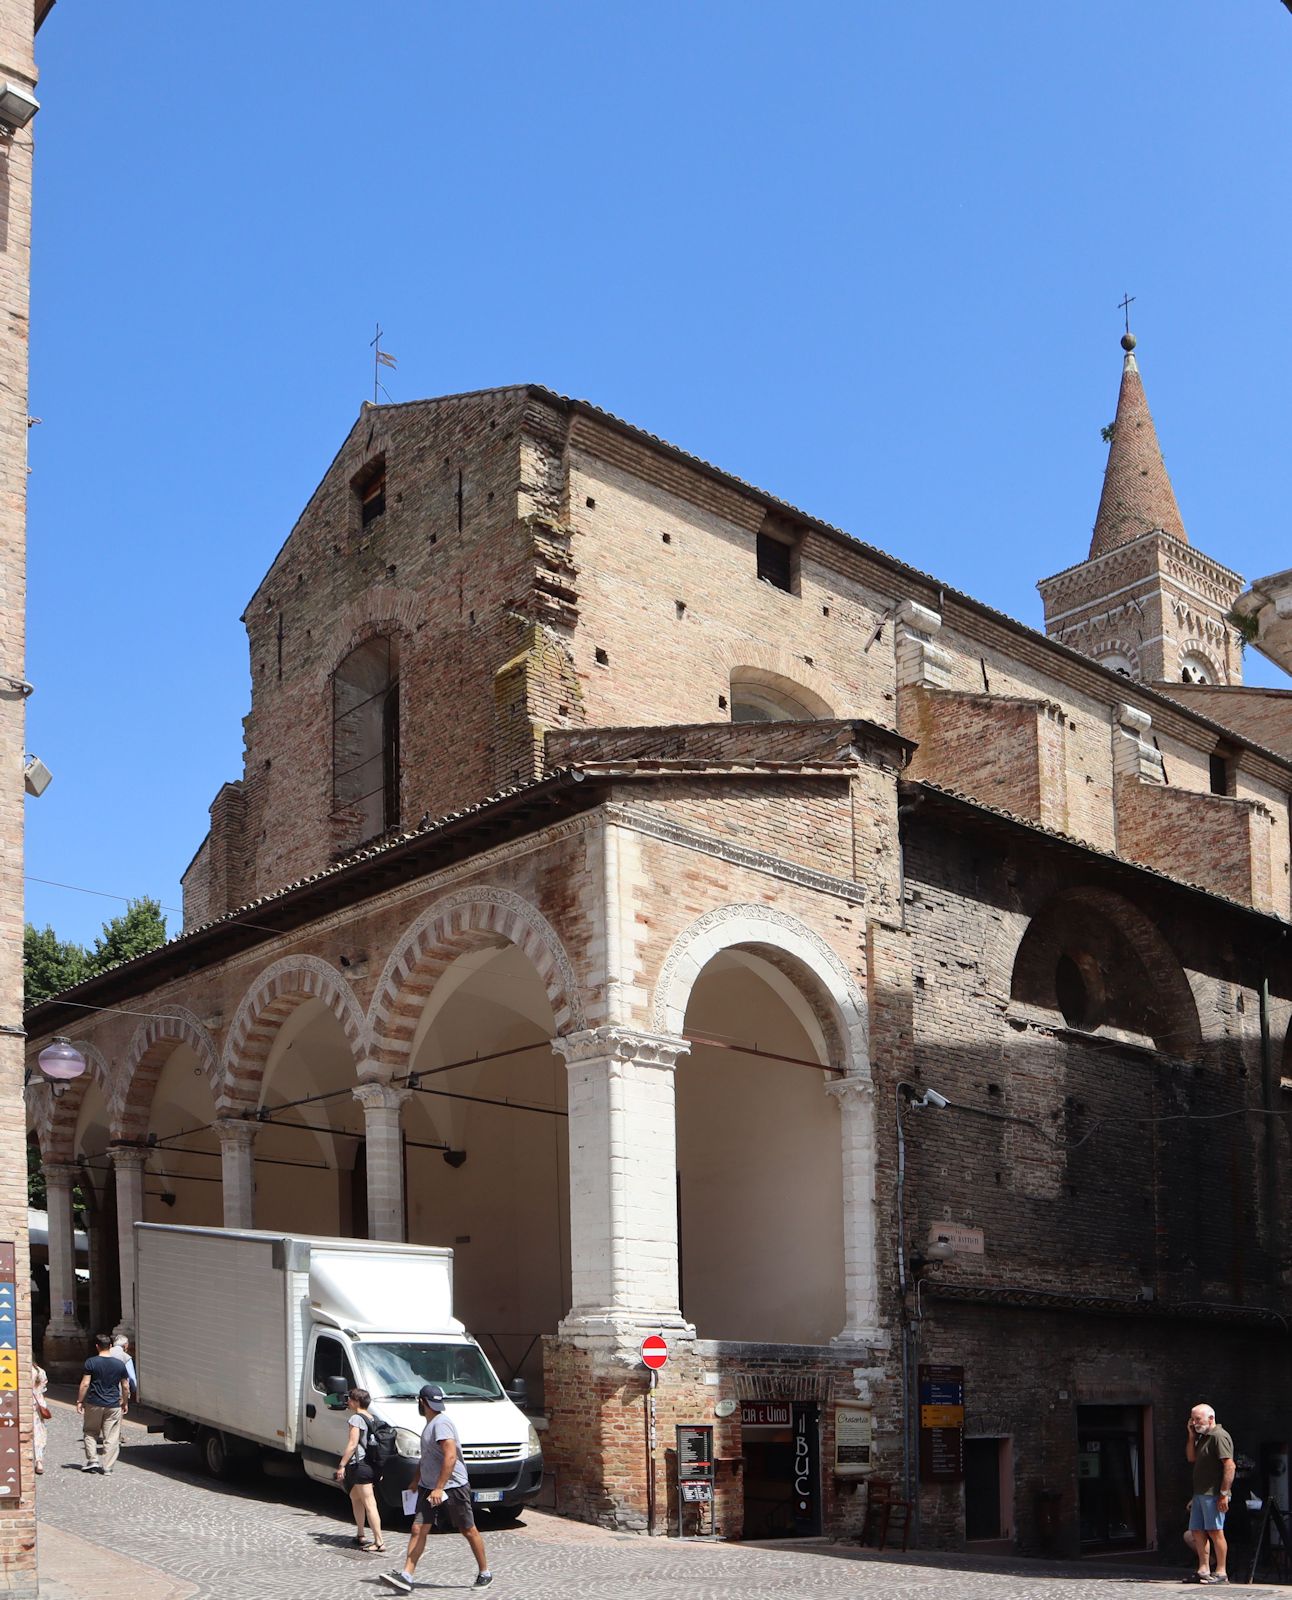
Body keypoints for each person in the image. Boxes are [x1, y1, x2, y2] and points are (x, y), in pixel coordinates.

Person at [380, 1383, 491, 1592]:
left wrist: (439, 1488)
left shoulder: (441, 1424)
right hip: (427, 1486)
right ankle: (406, 1576)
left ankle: (485, 1572)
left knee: (467, 1529)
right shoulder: (431, 1423)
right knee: (417, 1528)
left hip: (452, 1486)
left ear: (421, 1403)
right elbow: (428, 1458)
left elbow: (450, 1456)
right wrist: (416, 1480)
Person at [1187, 1401, 1235, 1585]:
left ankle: (1221, 1572)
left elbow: (1229, 1465)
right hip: (1200, 1493)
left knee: (1215, 1531)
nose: (1194, 1422)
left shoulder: (1219, 1436)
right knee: (1198, 1531)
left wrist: (1224, 1493)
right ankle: (1203, 1569)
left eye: (1197, 1419)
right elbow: (1191, 1458)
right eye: (1192, 1419)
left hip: (1213, 1493)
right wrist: (1191, 1436)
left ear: (1211, 1418)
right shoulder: (1203, 1437)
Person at [333, 1386, 385, 1552]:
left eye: (349, 1399)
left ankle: (379, 1542)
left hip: (361, 1466)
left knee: (370, 1503)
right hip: (373, 1465)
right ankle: (360, 1534)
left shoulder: (356, 1419)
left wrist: (342, 1465)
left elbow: (352, 1444)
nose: (347, 1402)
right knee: (355, 1496)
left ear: (356, 1402)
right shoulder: (373, 1418)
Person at [76, 1333, 130, 1475]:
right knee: (111, 1436)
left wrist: (80, 1401)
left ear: (97, 1347)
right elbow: (125, 1386)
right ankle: (107, 1467)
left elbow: (85, 1384)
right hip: (113, 1404)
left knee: (90, 1432)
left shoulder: (91, 1362)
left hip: (94, 1403)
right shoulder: (119, 1364)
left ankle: (93, 1460)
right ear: (110, 1346)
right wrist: (125, 1402)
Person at [30, 1361, 49, 1476]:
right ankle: (39, 1461)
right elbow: (42, 1391)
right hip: (37, 1406)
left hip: (23, 1405)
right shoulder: (40, 1371)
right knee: (38, 1433)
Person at [110, 1335, 138, 1400]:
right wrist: (134, 1391)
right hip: (118, 1394)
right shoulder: (126, 1357)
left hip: (101, 1394)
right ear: (125, 1345)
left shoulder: (105, 1353)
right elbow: (131, 1378)